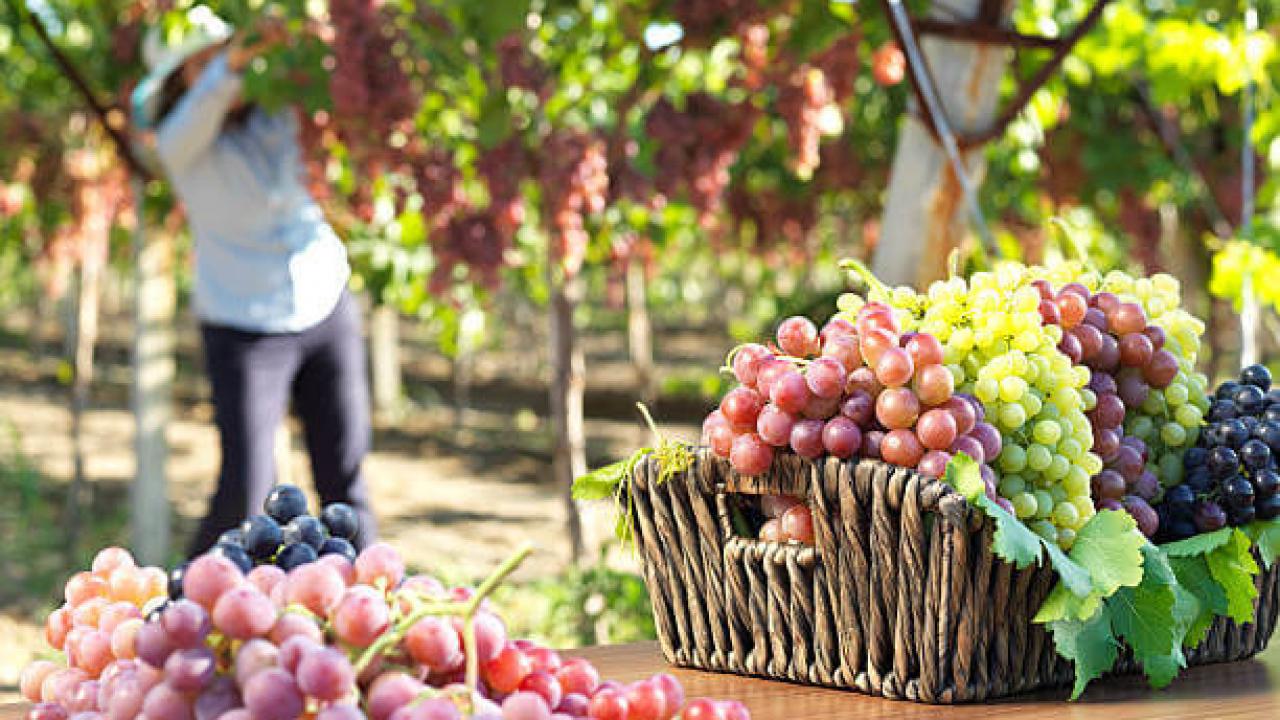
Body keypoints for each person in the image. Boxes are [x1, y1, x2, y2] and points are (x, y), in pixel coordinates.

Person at [132, 7, 377, 554]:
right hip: (244, 327)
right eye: (203, 66)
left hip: (325, 302)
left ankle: (372, 611)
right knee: (245, 492)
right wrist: (234, 59)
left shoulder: (274, 116)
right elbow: (206, 104)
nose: (227, 72)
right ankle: (189, 614)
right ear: (180, 84)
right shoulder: (180, 145)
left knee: (348, 483)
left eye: (223, 58)